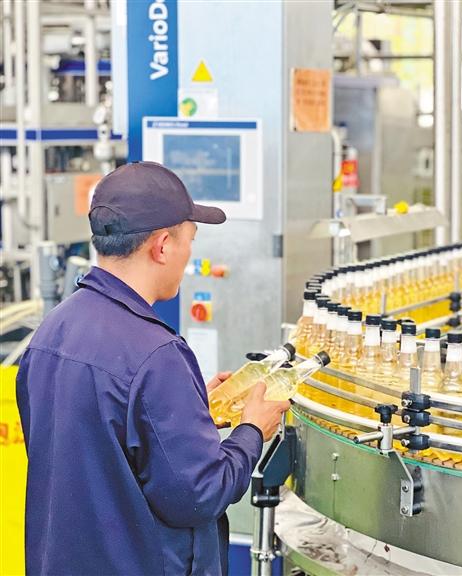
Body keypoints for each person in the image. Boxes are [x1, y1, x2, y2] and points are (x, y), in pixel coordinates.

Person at [16, 161, 291, 575]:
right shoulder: (157, 354)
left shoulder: (50, 333)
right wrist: (252, 430)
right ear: (162, 246)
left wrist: (189, 410)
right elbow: (199, 494)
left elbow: (98, 445)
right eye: (190, 241)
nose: (190, 254)